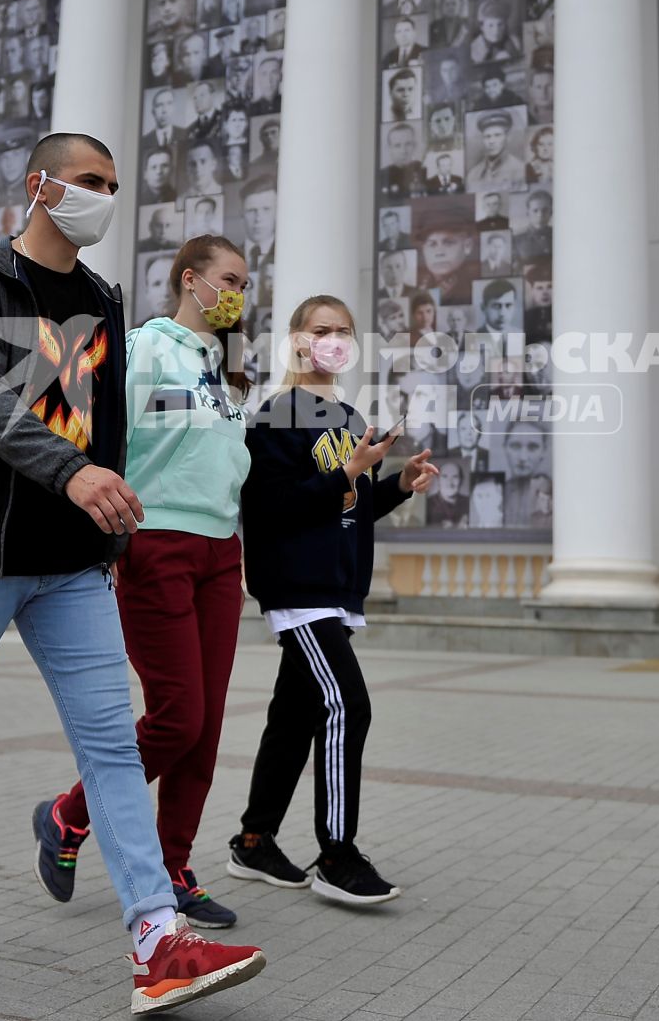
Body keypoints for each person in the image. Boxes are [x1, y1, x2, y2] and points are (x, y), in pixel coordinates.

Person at [0, 134, 266, 1012]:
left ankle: (158, 936)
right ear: (40, 185)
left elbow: (106, 428)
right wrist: (71, 470)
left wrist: (108, 533)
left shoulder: (103, 300)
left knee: (114, 742)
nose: (104, 196)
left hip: (71, 564)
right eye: (89, 181)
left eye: (114, 185)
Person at [39, 235, 257, 929]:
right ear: (190, 280)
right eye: (228, 279)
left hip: (222, 553)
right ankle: (68, 814)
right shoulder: (143, 348)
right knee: (178, 713)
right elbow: (92, 436)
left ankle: (175, 866)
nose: (237, 294)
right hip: (155, 542)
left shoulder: (226, 368)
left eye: (246, 283)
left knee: (207, 725)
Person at [229, 295, 436, 906]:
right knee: (348, 705)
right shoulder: (275, 416)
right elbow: (270, 508)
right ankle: (337, 855)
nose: (333, 339)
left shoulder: (348, 417)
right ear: (296, 340)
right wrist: (347, 474)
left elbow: (350, 507)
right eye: (321, 330)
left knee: (293, 718)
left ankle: (254, 839)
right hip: (298, 586)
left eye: (343, 330)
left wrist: (395, 482)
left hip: (338, 588)